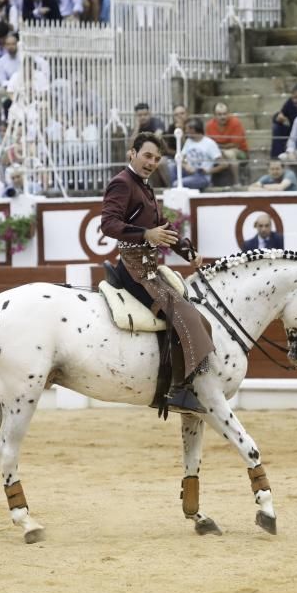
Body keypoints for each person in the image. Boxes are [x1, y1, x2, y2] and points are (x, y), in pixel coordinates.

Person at [100, 131, 212, 416]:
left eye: (157, 159)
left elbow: (163, 226)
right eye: (147, 156)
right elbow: (109, 224)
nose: (151, 162)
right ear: (132, 153)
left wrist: (188, 252)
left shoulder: (145, 186)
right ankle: (179, 390)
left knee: (187, 310)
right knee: (184, 314)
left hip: (148, 267)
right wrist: (146, 234)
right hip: (133, 268)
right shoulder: (122, 183)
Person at [167, 117, 226, 191]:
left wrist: (208, 171)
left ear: (193, 129)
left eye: (187, 129)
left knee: (176, 184)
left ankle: (175, 187)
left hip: (201, 175)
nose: (185, 131)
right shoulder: (189, 141)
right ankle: (174, 187)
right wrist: (186, 166)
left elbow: (224, 164)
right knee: (171, 166)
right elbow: (180, 159)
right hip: (188, 172)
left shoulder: (209, 143)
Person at [205, 102, 248, 186]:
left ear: (228, 113)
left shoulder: (236, 123)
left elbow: (235, 145)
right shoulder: (209, 125)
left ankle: (237, 183)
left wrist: (220, 148)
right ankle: (207, 181)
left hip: (240, 152)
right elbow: (208, 144)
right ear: (214, 115)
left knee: (229, 153)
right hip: (218, 151)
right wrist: (219, 149)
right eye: (219, 114)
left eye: (225, 114)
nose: (222, 117)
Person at [270, 82, 297, 159]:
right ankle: (276, 157)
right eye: (293, 98)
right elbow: (279, 114)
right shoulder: (290, 103)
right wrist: (279, 118)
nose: (295, 101)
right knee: (276, 128)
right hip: (292, 131)